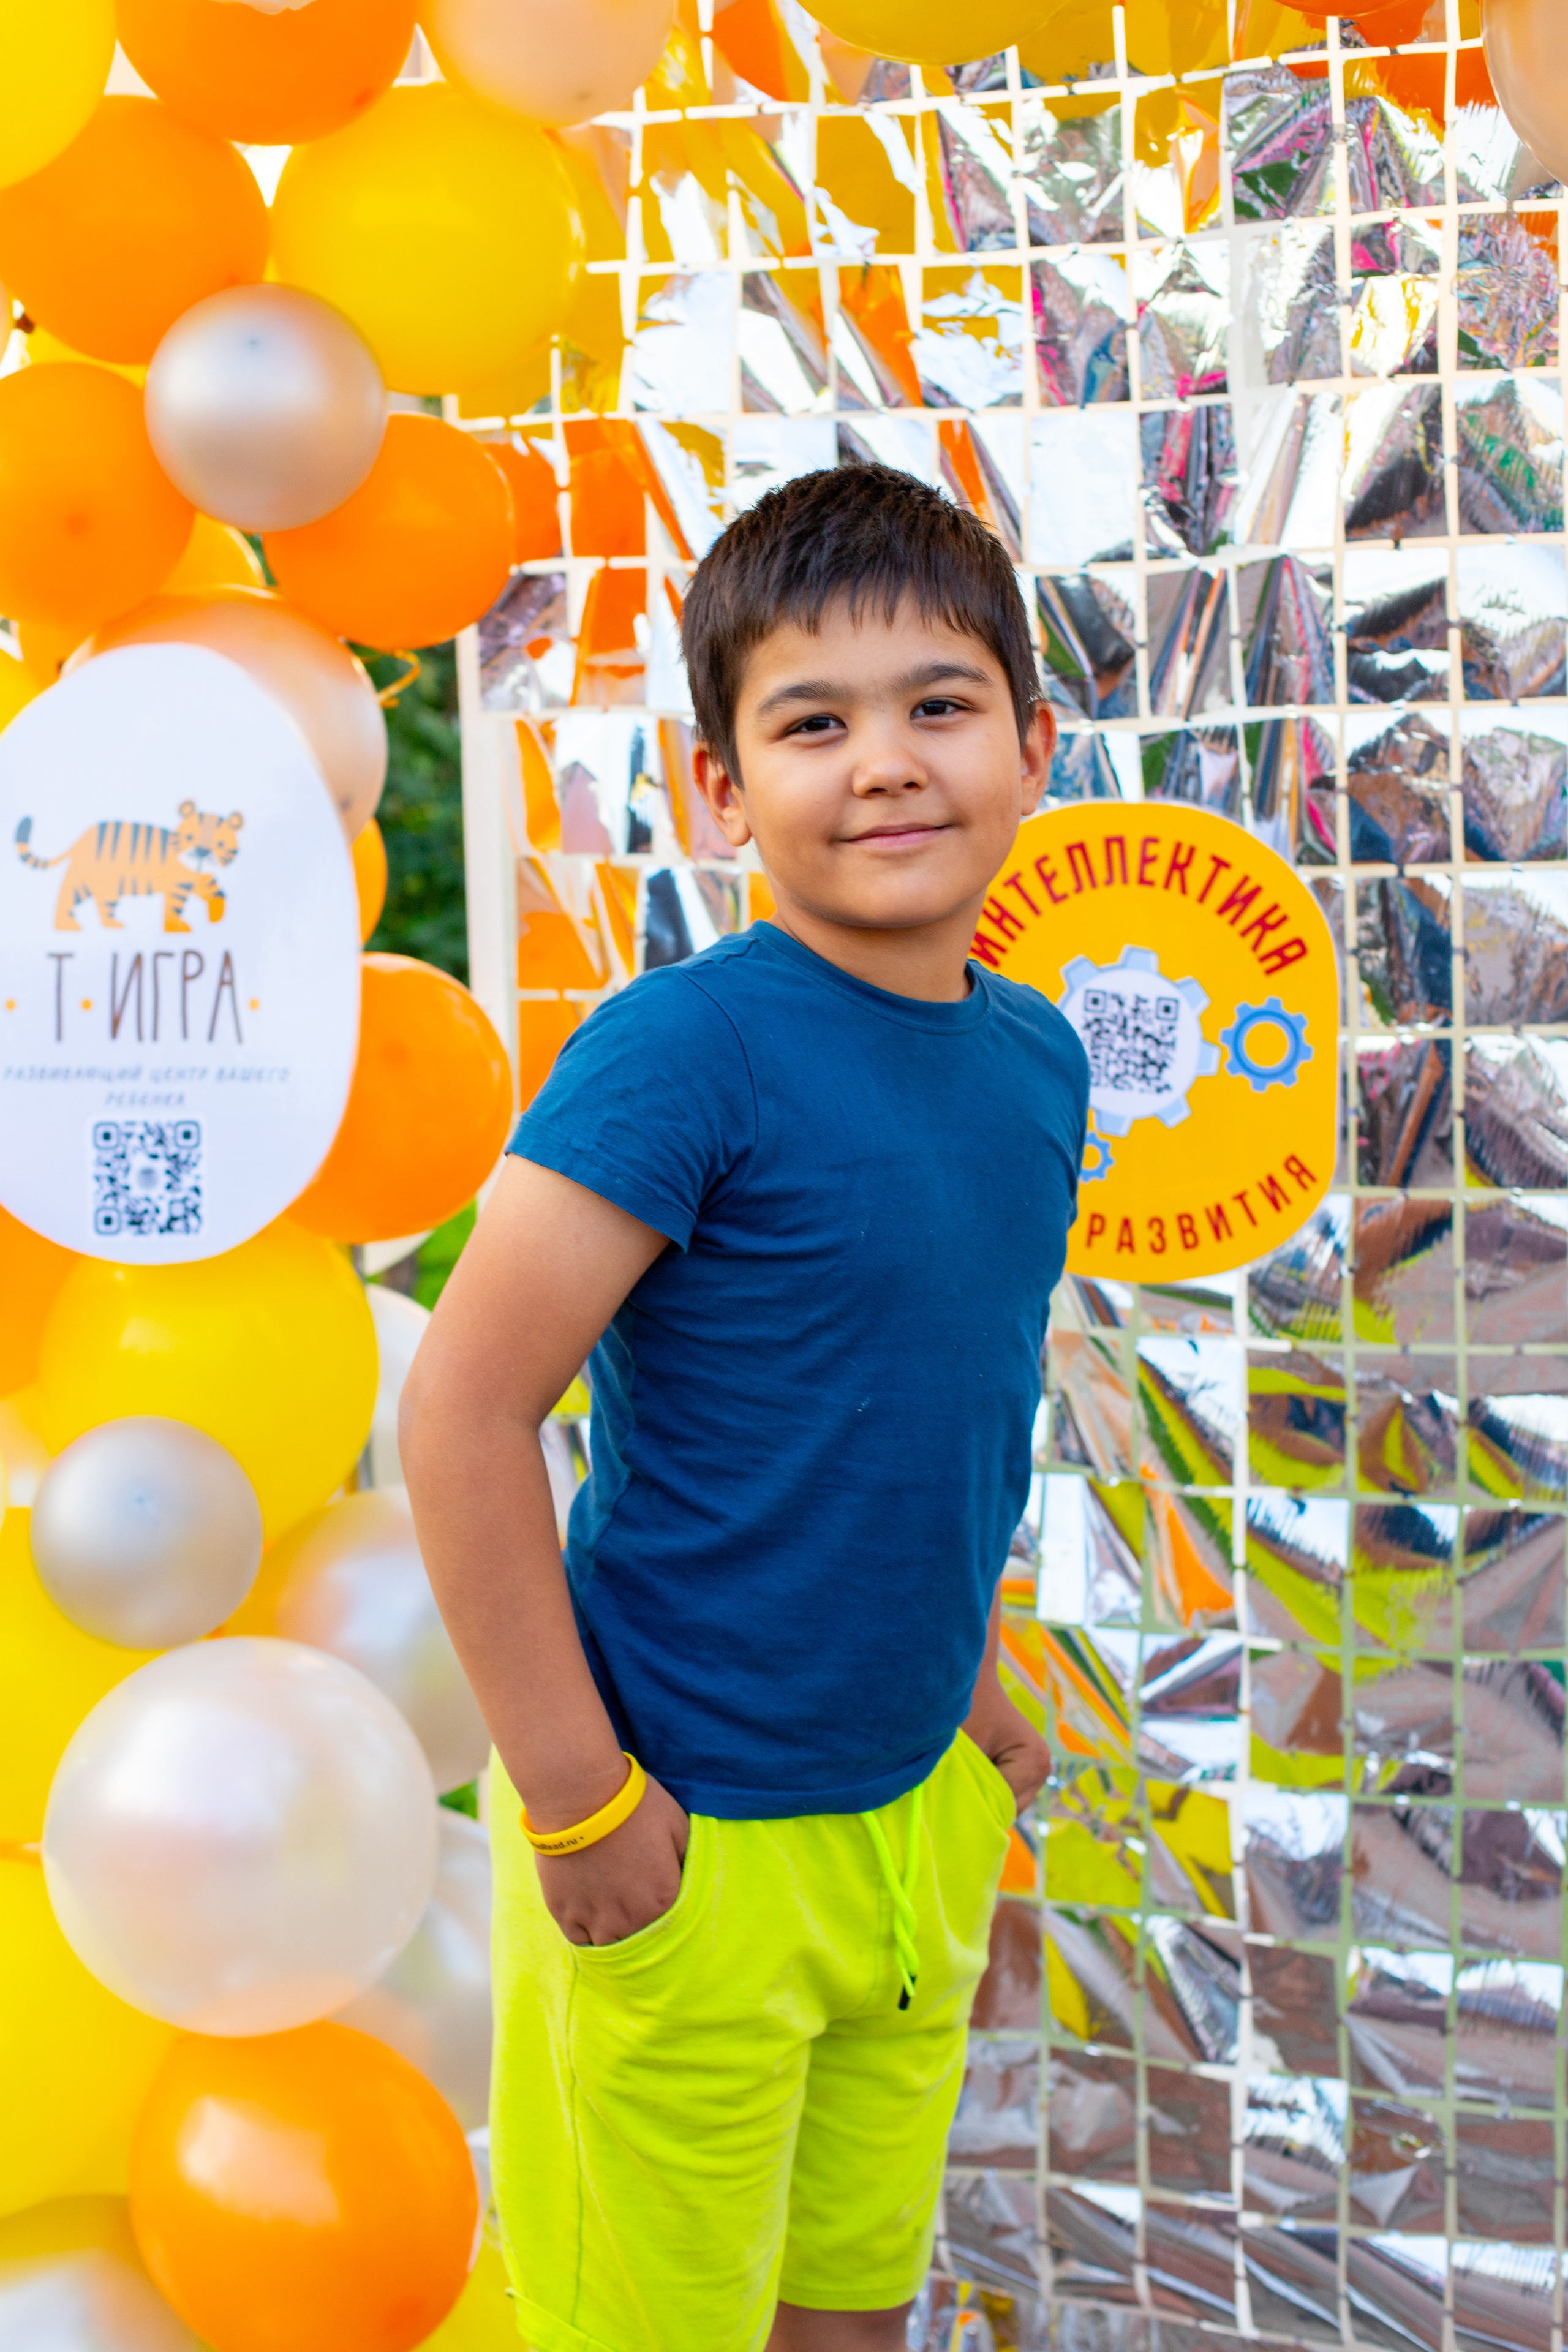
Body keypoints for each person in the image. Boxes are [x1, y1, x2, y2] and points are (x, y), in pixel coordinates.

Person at [401, 463, 1088, 2352]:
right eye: (813, 724)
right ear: (720, 790)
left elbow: (916, 1408)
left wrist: (968, 1692)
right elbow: (461, 1417)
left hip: (912, 1818)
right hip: (681, 1828)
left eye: (939, 706)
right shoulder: (684, 1051)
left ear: (1031, 747)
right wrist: (576, 1803)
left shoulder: (1035, 1061)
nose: (887, 765)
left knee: (848, 2312)